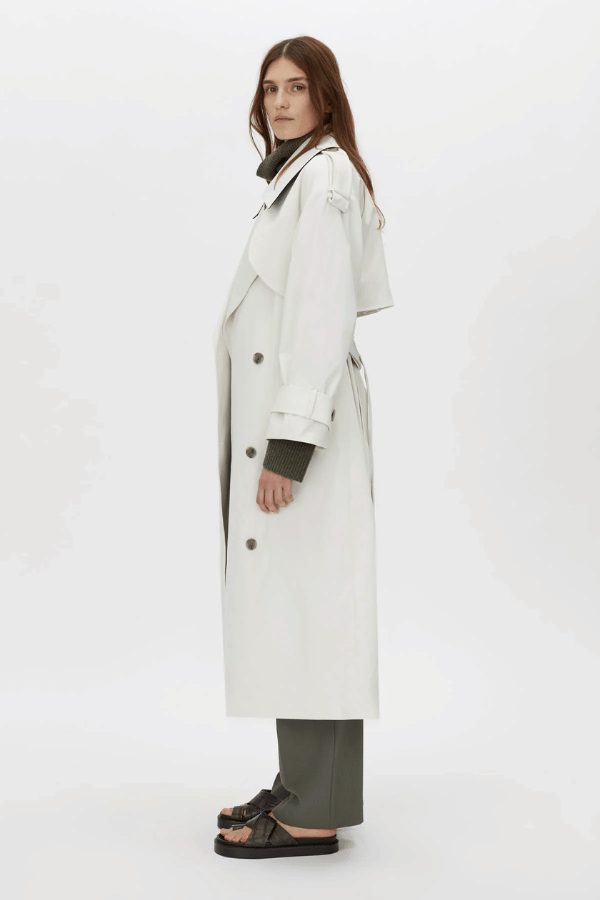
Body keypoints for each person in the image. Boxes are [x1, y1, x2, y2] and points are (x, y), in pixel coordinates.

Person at [212, 35, 395, 859]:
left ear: (325, 96)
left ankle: (313, 810)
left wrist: (289, 449)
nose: (280, 102)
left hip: (299, 437)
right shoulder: (301, 175)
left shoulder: (321, 181)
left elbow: (320, 318)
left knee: (313, 609)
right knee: (299, 606)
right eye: (270, 89)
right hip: (294, 425)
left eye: (296, 87)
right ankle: (302, 784)